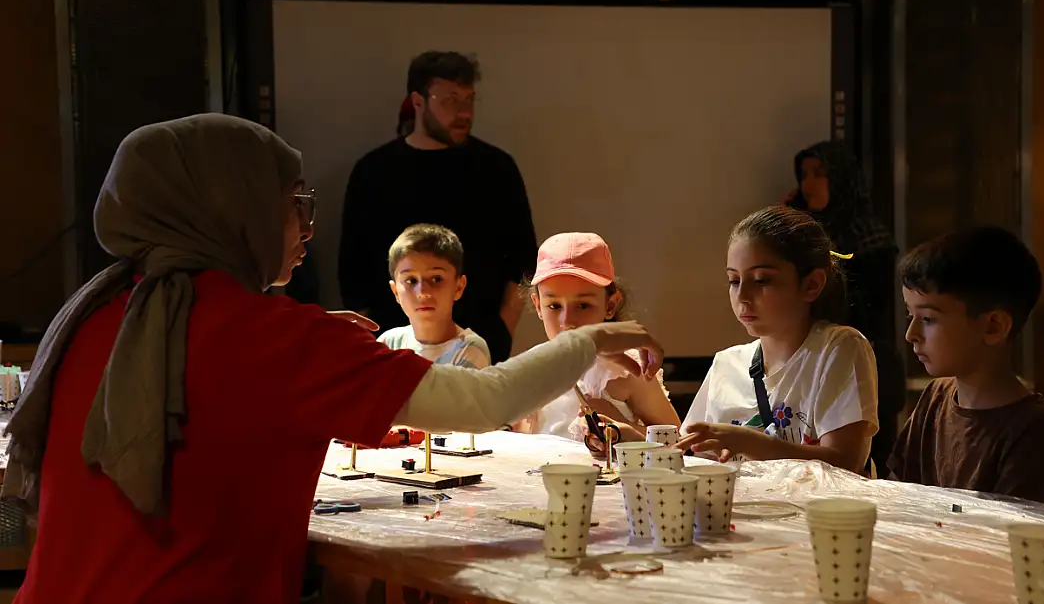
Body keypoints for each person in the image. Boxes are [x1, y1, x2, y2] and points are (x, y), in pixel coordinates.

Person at [1, 114, 663, 604]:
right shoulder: (274, 333)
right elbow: (483, 401)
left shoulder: (90, 314)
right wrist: (591, 339)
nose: (307, 228)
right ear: (237, 208)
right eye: (294, 205)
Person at [339, 51, 537, 363]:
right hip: (394, 349)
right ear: (418, 102)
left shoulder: (496, 169)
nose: (464, 112)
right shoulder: (375, 171)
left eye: (469, 99)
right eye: (450, 100)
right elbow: (353, 269)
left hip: (480, 344)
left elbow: (523, 261)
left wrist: (503, 330)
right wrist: (371, 344)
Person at [675, 206, 879, 474]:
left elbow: (845, 464)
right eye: (734, 281)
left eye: (761, 280)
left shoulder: (838, 348)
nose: (743, 296)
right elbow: (696, 458)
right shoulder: (727, 363)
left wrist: (750, 443)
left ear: (811, 285)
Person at [888, 227, 1044, 505]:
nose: (911, 334)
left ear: (993, 326)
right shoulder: (934, 399)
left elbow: (1010, 539)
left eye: (928, 318)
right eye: (910, 315)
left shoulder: (1033, 431)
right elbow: (897, 498)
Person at [785, 140, 904, 477]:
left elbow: (871, 306)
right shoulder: (804, 232)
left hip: (862, 358)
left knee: (863, 470)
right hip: (811, 361)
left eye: (819, 174)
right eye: (804, 174)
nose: (808, 184)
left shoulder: (868, 236)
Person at [514, 233, 680, 448]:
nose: (567, 322)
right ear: (538, 305)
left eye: (583, 306)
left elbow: (680, 445)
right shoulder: (528, 367)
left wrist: (624, 431)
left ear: (610, 305)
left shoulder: (625, 372)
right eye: (554, 306)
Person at [378, 224, 490, 369]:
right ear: (395, 292)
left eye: (437, 279)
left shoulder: (469, 349)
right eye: (411, 281)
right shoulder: (388, 343)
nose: (423, 293)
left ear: (459, 287)